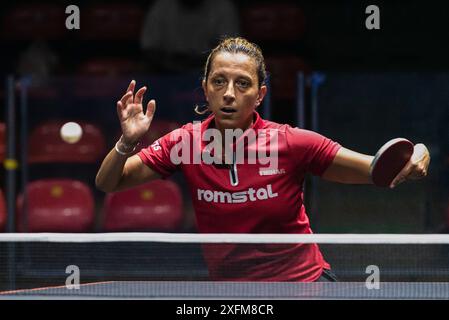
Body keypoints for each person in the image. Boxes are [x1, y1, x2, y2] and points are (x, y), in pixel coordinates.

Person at [95, 37, 431, 282]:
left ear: (260, 95)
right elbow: (110, 182)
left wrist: (418, 153)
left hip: (302, 286)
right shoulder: (185, 143)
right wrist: (127, 142)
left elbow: (377, 170)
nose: (229, 93)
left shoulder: (292, 143)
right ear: (205, 88)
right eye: (219, 81)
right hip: (229, 295)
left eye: (242, 84)